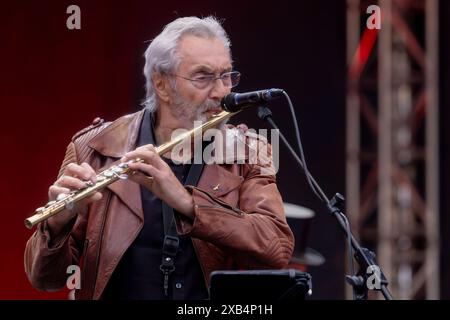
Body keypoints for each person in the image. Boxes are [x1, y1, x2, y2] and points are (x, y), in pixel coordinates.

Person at [24, 16, 294, 300]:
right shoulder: (93, 147)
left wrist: (188, 204)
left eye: (226, 75)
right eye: (203, 77)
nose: (222, 92)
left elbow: (275, 249)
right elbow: (46, 280)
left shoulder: (249, 152)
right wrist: (57, 225)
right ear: (161, 84)